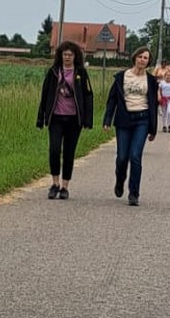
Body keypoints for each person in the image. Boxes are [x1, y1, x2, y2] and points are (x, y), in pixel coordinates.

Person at [35, 40, 94, 199]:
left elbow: (88, 96)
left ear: (75, 56)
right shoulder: (53, 72)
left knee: (69, 152)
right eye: (65, 54)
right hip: (56, 117)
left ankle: (65, 186)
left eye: (70, 55)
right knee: (54, 150)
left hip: (74, 119)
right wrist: (41, 118)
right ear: (60, 56)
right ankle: (54, 183)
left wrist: (88, 119)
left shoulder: (81, 73)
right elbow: (45, 95)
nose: (67, 57)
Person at [102, 44, 160, 207]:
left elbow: (154, 105)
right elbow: (112, 99)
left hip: (142, 120)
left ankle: (134, 193)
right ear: (135, 58)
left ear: (148, 61)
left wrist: (153, 129)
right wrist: (107, 120)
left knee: (135, 156)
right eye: (140, 57)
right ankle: (120, 180)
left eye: (146, 58)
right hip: (124, 119)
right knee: (122, 157)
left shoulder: (151, 80)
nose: (142, 60)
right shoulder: (121, 77)